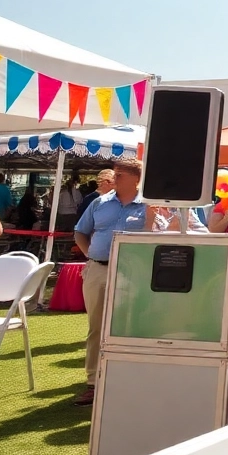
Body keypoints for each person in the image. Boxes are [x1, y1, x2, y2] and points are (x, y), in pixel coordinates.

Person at [71, 158, 146, 407]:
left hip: (134, 274)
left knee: (131, 325)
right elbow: (80, 231)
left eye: (120, 175)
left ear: (136, 178)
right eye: (114, 174)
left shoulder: (148, 206)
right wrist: (90, 254)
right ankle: (93, 382)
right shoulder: (99, 202)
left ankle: (128, 379)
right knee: (96, 327)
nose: (114, 179)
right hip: (98, 271)